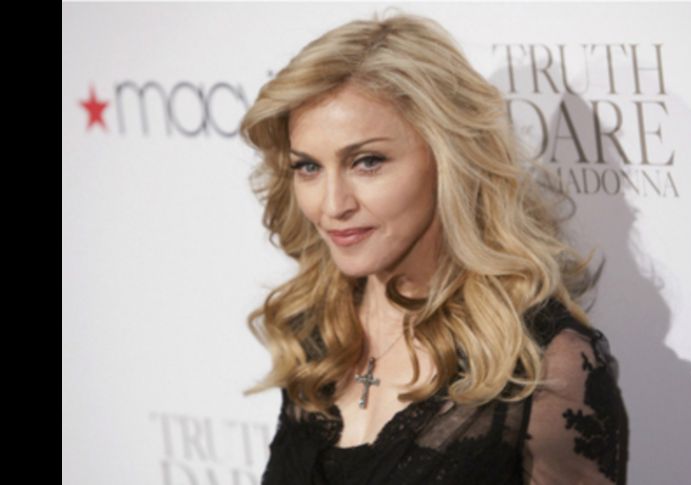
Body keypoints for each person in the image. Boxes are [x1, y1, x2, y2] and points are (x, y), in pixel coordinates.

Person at [239, 9, 629, 485]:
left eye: (367, 161)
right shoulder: (319, 328)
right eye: (308, 167)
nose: (332, 205)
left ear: (449, 159)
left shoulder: (545, 364)